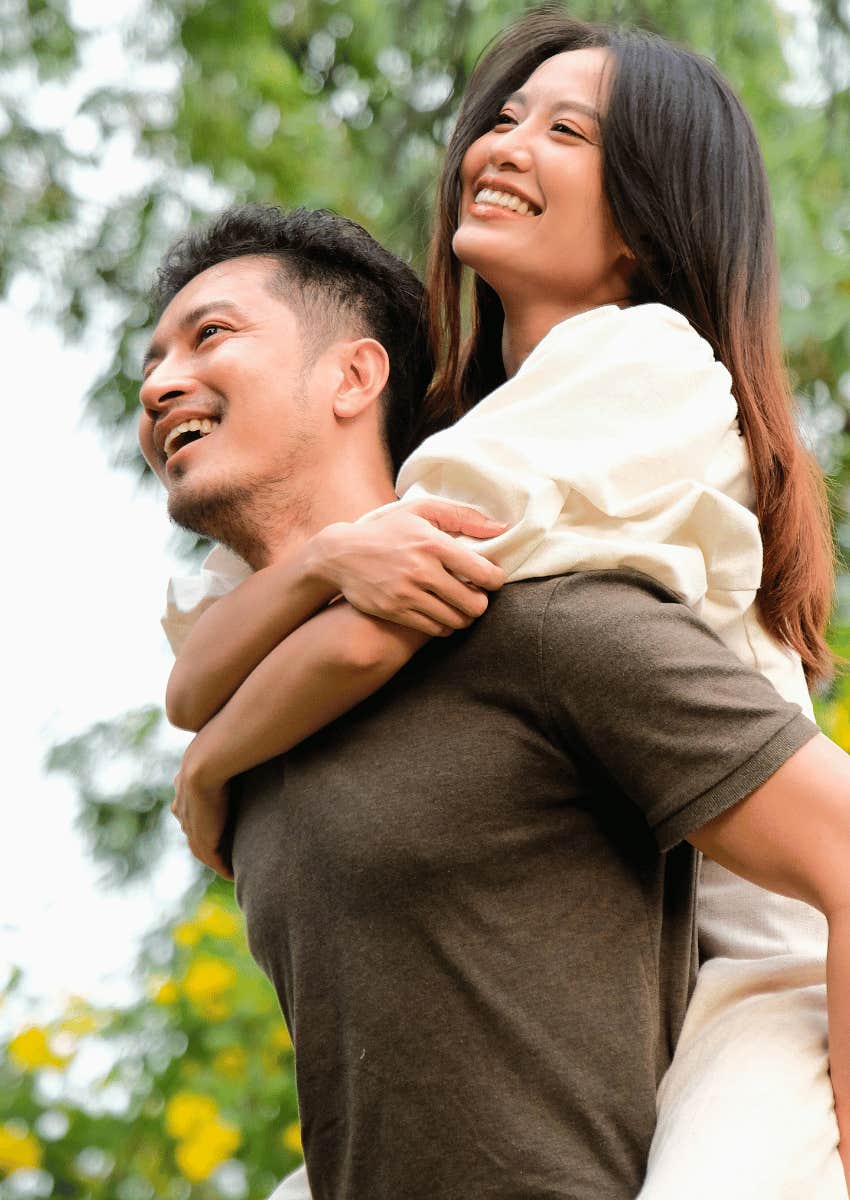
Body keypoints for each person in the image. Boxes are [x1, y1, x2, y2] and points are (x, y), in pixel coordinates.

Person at [139, 18, 850, 1200]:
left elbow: (378, 628)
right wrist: (303, 600)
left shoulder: (637, 373)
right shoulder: (492, 431)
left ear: (642, 221)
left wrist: (209, 772)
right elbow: (196, 675)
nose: (502, 144)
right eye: (505, 115)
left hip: (775, 971)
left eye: (566, 129)